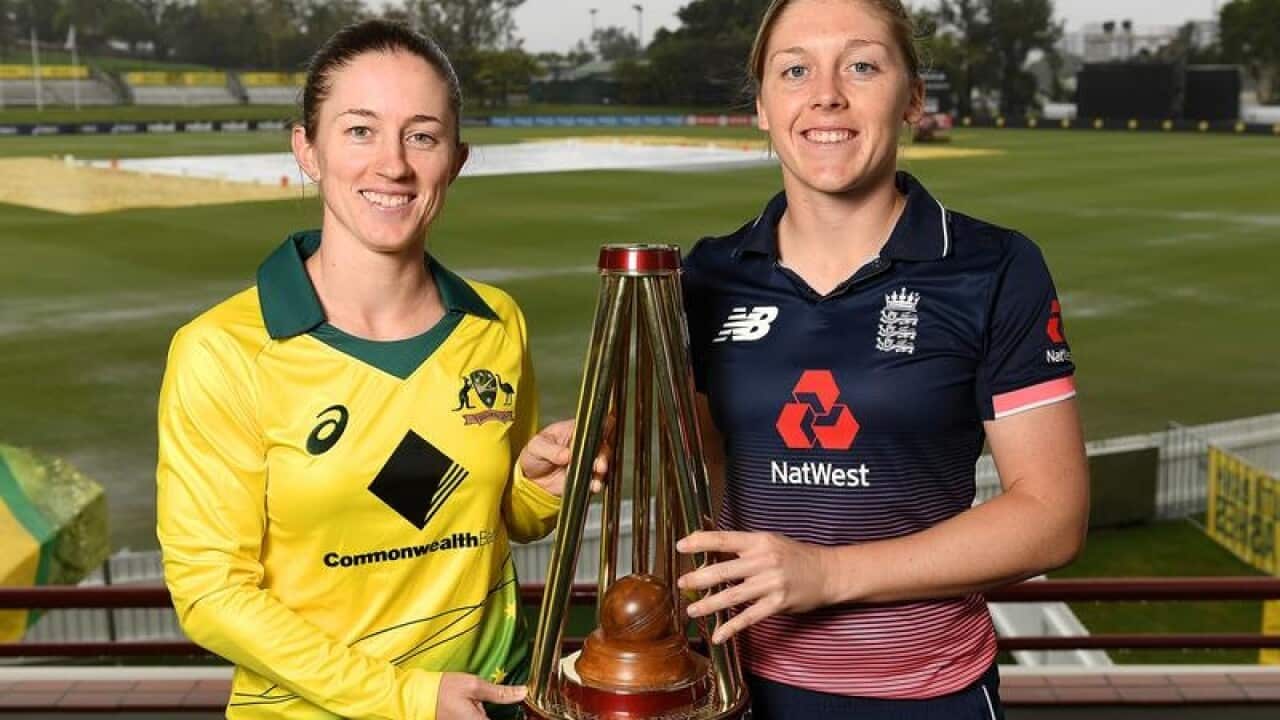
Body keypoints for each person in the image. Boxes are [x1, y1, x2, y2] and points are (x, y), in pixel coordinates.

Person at [156, 20, 592, 720]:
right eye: (360, 130)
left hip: (491, 699)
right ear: (307, 148)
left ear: (455, 159)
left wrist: (537, 486)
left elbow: (497, 516)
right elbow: (212, 595)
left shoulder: (494, 322)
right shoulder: (221, 350)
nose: (392, 164)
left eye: (421, 135)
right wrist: (406, 697)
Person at [676, 1, 1089, 718]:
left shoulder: (993, 266)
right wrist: (608, 442)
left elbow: (1053, 515)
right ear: (764, 108)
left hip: (923, 694)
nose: (826, 93)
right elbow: (701, 464)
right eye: (795, 70)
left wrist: (829, 573)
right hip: (731, 686)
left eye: (862, 65)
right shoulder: (709, 272)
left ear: (913, 99)